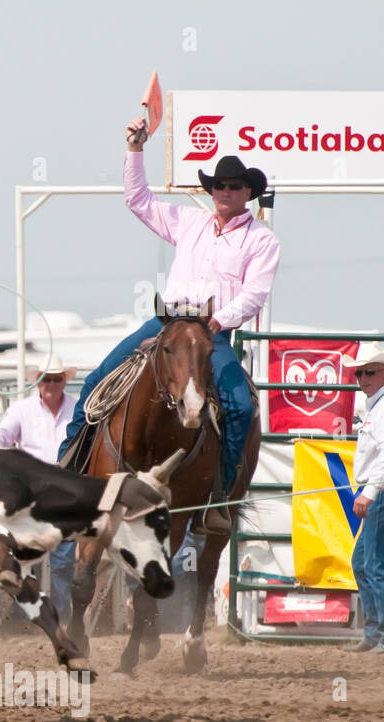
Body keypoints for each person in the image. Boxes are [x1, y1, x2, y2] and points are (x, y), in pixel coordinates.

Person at [61, 115, 282, 534]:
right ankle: (70, 468)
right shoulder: (191, 221)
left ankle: (218, 497)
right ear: (211, 189)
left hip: (211, 331)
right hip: (165, 325)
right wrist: (134, 150)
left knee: (238, 403)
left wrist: (218, 320)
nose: (225, 192)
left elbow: (255, 294)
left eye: (234, 186)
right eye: (219, 185)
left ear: (248, 193)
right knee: (97, 381)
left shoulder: (261, 239)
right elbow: (138, 199)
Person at [0, 356, 78, 615]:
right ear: (37, 381)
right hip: (32, 492)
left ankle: (59, 612)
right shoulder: (23, 410)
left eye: (57, 379)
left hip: (64, 491)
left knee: (63, 559)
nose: (52, 384)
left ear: (64, 381)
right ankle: (26, 613)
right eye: (47, 378)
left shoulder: (77, 409)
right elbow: (0, 435)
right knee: (25, 557)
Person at [343, 352, 384, 654]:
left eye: (369, 372)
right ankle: (375, 634)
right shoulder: (378, 406)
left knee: (376, 564)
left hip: (383, 490)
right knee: (363, 563)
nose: (362, 379)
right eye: (359, 373)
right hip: (379, 488)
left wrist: (370, 491)